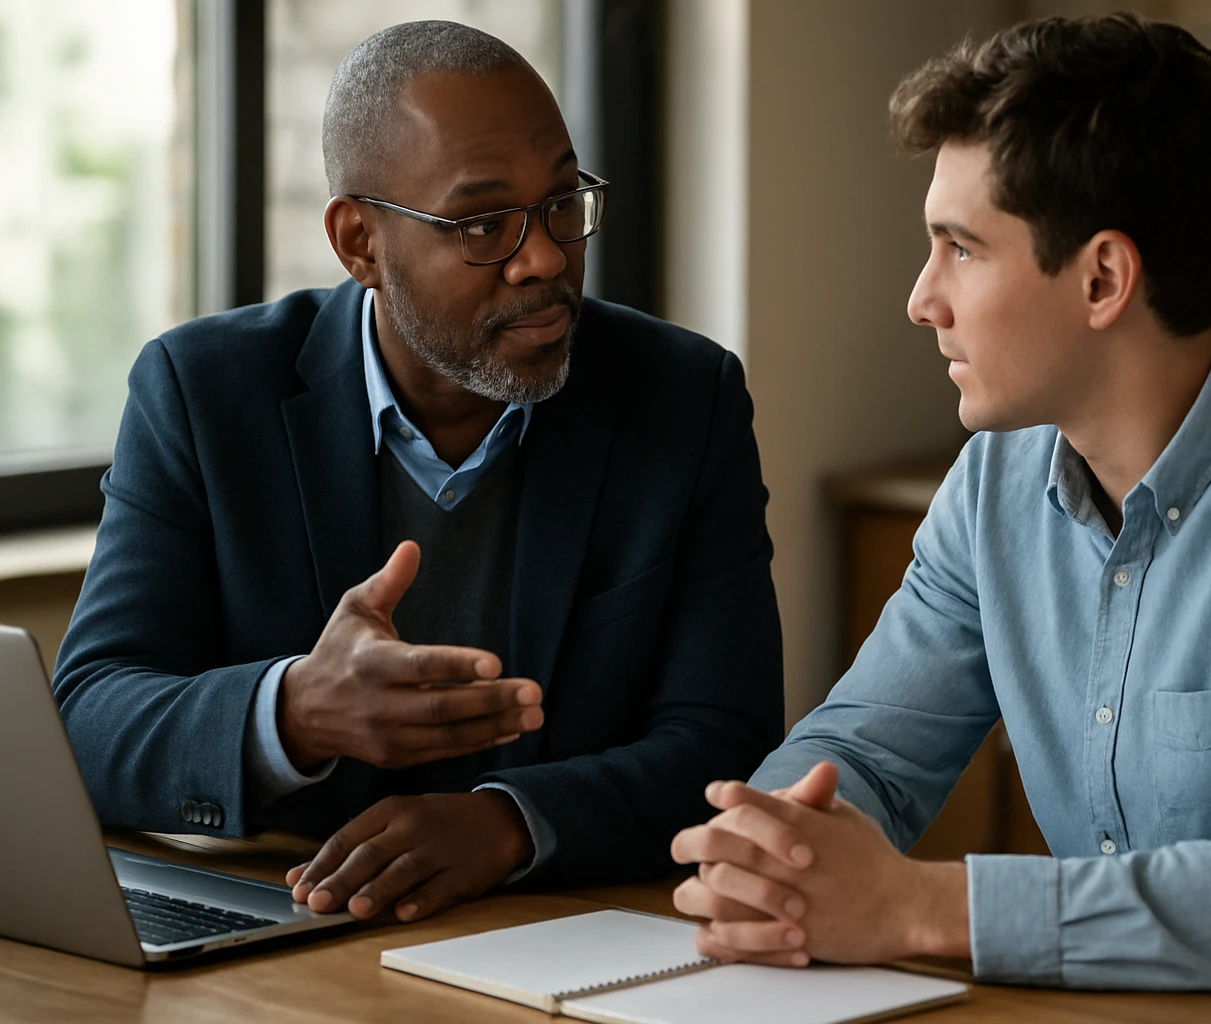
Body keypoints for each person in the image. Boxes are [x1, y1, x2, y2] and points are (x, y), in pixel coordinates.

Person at [669, 14, 1211, 1021]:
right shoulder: (994, 481)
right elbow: (857, 756)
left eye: (959, 248)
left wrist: (915, 905)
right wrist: (770, 852)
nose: (921, 299)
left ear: (1103, 278)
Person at [53, 20, 782, 925]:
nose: (546, 256)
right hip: (293, 936)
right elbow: (86, 719)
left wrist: (510, 825)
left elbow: (729, 739)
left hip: (559, 932)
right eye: (483, 223)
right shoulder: (204, 393)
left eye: (562, 201)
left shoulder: (681, 398)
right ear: (359, 242)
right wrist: (295, 715)